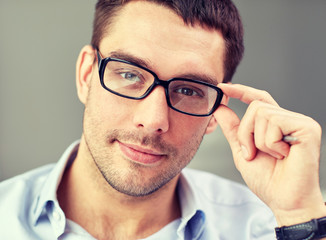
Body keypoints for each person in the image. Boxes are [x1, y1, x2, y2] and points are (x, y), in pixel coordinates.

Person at [0, 0, 325, 239]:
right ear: (87, 75)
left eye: (189, 89)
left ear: (215, 111)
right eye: (129, 74)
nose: (154, 119)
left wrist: (300, 214)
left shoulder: (270, 228)